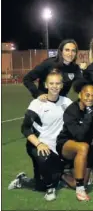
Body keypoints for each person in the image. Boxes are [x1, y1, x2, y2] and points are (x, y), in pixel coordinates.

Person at [10, 70, 73, 201]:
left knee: (43, 183)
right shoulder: (37, 104)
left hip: (57, 146)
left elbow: (79, 116)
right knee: (46, 169)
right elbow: (25, 128)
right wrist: (39, 143)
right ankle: (50, 189)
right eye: (51, 83)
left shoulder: (67, 102)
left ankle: (23, 180)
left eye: (58, 83)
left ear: (62, 85)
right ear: (46, 85)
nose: (55, 86)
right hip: (38, 145)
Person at [56, 84, 93, 201]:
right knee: (83, 147)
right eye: (87, 95)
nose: (90, 98)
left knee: (80, 182)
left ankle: (61, 175)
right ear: (80, 95)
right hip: (66, 145)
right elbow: (79, 135)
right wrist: (88, 116)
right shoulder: (71, 111)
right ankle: (80, 191)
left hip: (84, 150)